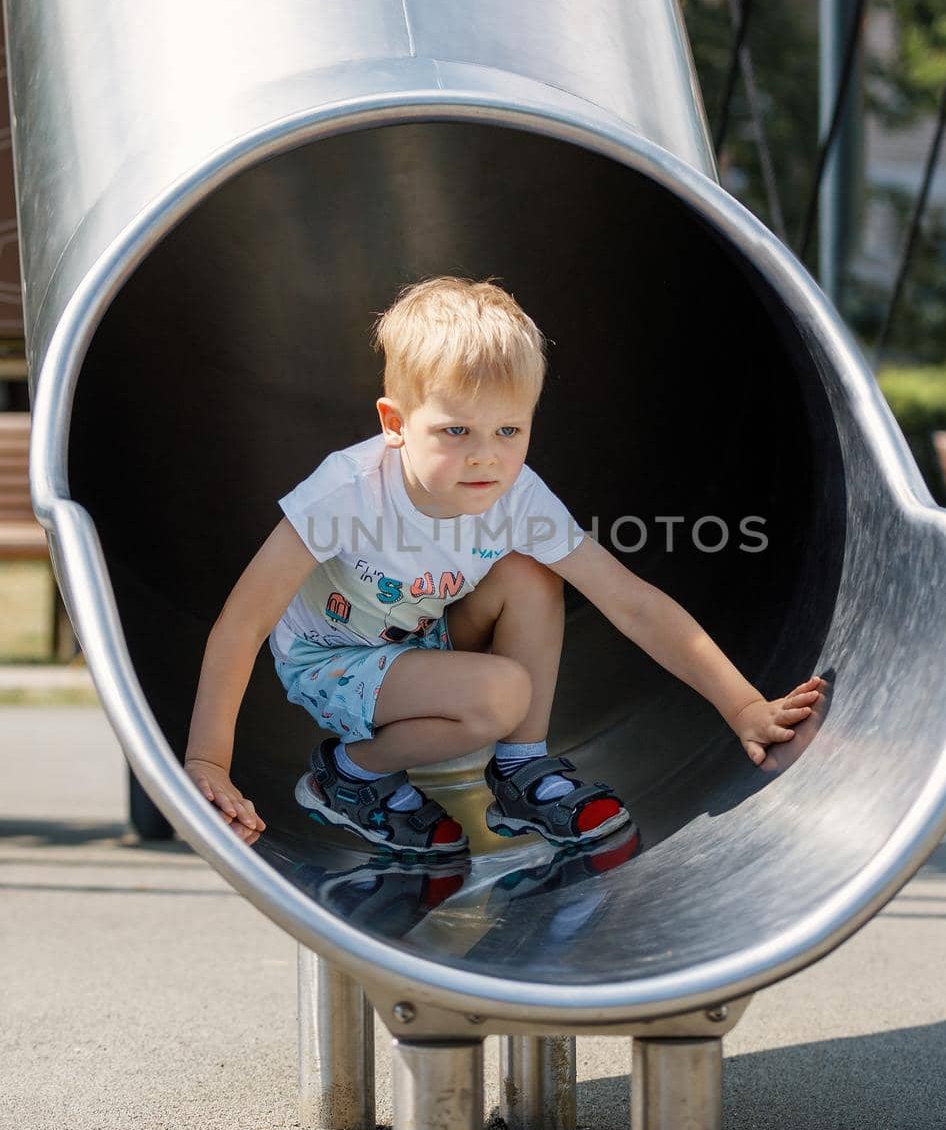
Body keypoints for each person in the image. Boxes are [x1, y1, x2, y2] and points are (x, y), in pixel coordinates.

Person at [183, 275, 824, 851]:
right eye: (456, 432)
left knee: (531, 573)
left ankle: (521, 772)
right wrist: (208, 761)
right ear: (396, 423)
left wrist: (743, 706)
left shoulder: (517, 499)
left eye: (509, 431)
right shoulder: (346, 493)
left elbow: (630, 601)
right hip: (328, 659)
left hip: (417, 638)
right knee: (501, 694)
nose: (486, 457)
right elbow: (240, 626)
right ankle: (346, 776)